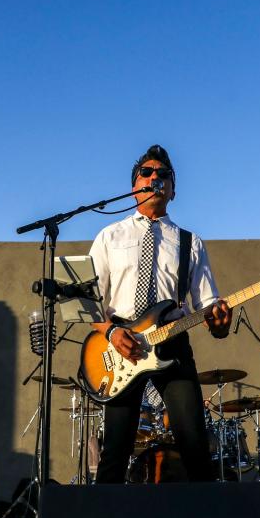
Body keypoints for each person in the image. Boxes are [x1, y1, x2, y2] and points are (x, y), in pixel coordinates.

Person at [88, 145, 232, 484]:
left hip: (172, 340)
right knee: (116, 447)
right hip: (121, 344)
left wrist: (219, 323)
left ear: (173, 189)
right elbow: (89, 301)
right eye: (148, 173)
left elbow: (208, 304)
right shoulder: (109, 235)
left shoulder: (189, 242)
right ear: (134, 185)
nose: (156, 178)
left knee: (194, 440)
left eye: (163, 174)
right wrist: (110, 332)